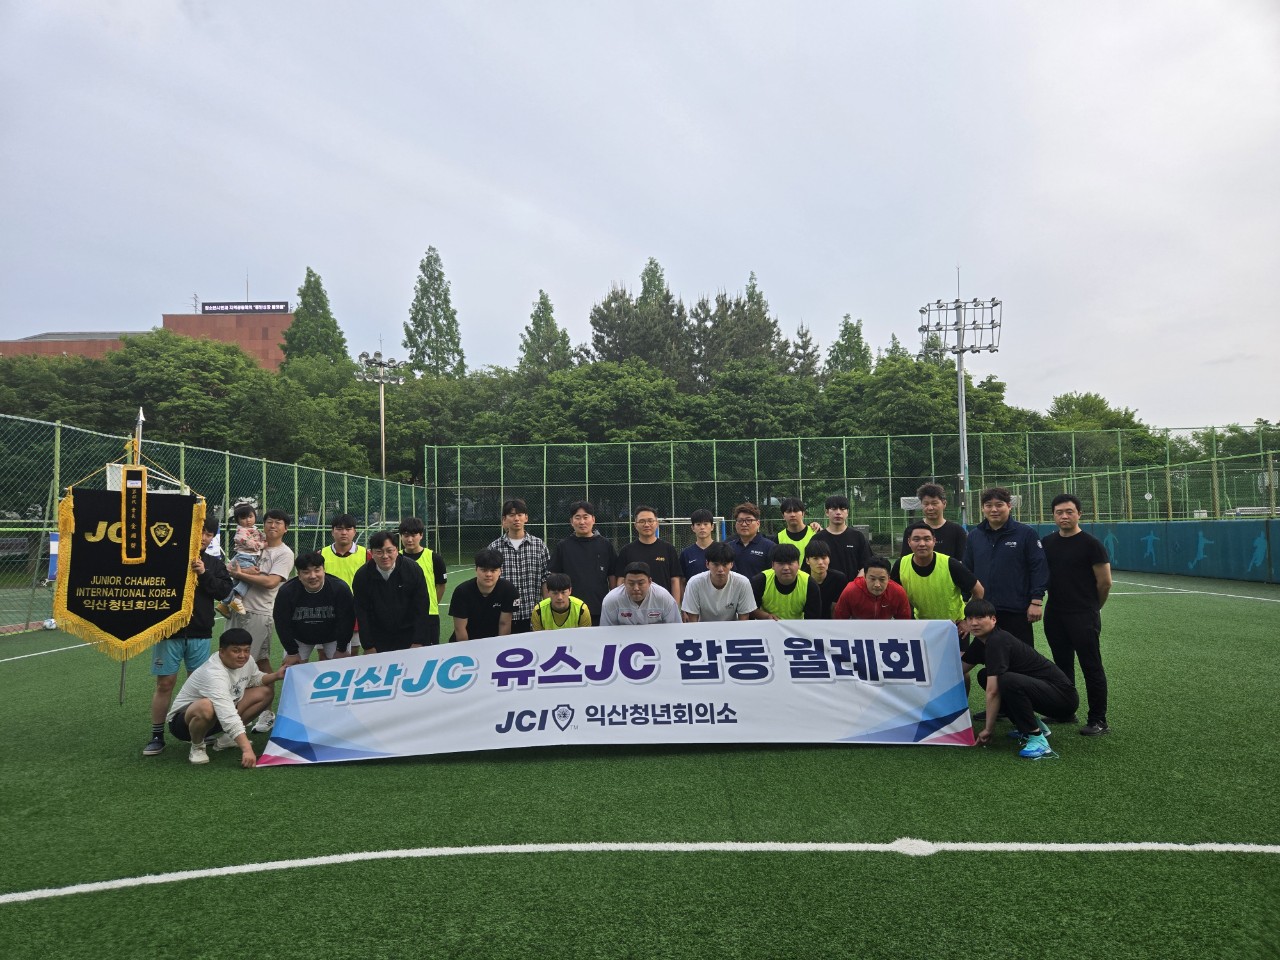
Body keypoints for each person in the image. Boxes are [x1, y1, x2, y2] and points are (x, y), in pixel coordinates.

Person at [143, 516, 232, 756]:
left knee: (200, 685)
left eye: (209, 534)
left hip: (200, 632)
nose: (204, 537)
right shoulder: (167, 558)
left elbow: (225, 592)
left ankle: (199, 732)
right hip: (168, 631)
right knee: (165, 683)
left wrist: (203, 574)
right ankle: (157, 735)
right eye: (200, 531)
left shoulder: (213, 564)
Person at [962, 599, 1079, 760]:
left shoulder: (998, 640)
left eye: (980, 617)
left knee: (1006, 680)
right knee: (984, 675)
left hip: (1063, 699)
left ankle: (1038, 739)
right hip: (1044, 692)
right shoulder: (981, 641)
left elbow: (993, 691)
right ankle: (1034, 726)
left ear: (993, 619)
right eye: (969, 618)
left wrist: (988, 729)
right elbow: (959, 670)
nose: (974, 623)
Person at [1042, 493, 1113, 736]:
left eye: (1069, 511)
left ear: (1079, 514)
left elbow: (1105, 582)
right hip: (1055, 614)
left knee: (1091, 667)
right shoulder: (1047, 542)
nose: (1064, 516)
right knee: (1061, 666)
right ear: (1053, 515)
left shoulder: (1091, 544)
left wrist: (1093, 608)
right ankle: (1065, 712)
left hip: (1083, 615)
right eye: (1059, 512)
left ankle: (1098, 720)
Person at [166, 628, 288, 767]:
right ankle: (197, 746)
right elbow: (227, 714)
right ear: (222, 652)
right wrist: (247, 749)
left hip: (217, 717)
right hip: (183, 724)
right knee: (205, 706)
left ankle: (229, 739)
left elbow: (255, 678)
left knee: (265, 692)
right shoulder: (213, 673)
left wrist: (276, 676)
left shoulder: (247, 660)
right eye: (236, 651)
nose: (242, 655)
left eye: (246, 650)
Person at [226, 507, 294, 733]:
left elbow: (271, 582)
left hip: (259, 613)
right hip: (238, 609)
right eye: (269, 521)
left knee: (243, 666)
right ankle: (265, 712)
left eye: (278, 522)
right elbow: (233, 564)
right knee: (260, 663)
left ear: (286, 528)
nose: (272, 526)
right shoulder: (255, 542)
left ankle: (241, 720)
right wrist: (236, 571)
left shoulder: (284, 553)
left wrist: (241, 574)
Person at [962, 487, 1049, 646]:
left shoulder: (1026, 533)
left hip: (1016, 609)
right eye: (988, 505)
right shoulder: (975, 535)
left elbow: (1038, 567)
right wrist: (963, 601)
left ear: (1009, 506)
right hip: (984, 611)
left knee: (1021, 655)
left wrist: (1036, 601)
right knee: (988, 655)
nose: (994, 509)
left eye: (999, 505)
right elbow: (967, 570)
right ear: (982, 508)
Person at [892, 522, 983, 644]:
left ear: (934, 541)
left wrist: (967, 620)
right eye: (916, 539)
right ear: (909, 542)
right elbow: (892, 596)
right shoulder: (900, 564)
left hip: (954, 627)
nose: (922, 544)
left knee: (957, 658)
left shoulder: (950, 564)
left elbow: (979, 591)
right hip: (922, 627)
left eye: (927, 539)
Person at [351, 530, 430, 653]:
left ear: (397, 550)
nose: (385, 556)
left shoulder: (412, 570)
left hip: (409, 635)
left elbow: (421, 606)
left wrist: (418, 641)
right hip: (379, 637)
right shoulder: (362, 576)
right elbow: (362, 613)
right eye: (379, 552)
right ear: (371, 553)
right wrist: (368, 646)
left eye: (389, 551)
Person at [273, 551, 356, 665]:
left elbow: (346, 621)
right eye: (306, 572)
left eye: (317, 570)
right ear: (299, 574)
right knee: (293, 667)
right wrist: (292, 652)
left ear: (324, 570)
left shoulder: (340, 588)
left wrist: (342, 648)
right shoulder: (287, 591)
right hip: (300, 637)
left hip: (333, 636)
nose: (312, 576)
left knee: (341, 666)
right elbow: (282, 623)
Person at [547, 500, 616, 626]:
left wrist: (613, 603)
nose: (582, 522)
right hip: (570, 611)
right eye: (577, 518)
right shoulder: (563, 546)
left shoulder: (605, 545)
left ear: (593, 519)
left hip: (599, 609)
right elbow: (554, 577)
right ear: (571, 521)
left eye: (585, 517)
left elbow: (612, 576)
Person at [487, 498, 549, 634]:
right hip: (504, 616)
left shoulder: (539, 545)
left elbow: (545, 579)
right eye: (512, 515)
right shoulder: (494, 548)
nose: (516, 519)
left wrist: (547, 609)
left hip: (533, 614)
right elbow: (489, 581)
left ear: (526, 518)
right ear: (504, 519)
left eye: (520, 514)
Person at [614, 505, 683, 602]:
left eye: (650, 521)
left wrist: (675, 605)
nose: (646, 525)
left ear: (657, 523)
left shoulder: (669, 549)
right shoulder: (626, 551)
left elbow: (675, 580)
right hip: (633, 606)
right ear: (635, 525)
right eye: (642, 521)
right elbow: (621, 581)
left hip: (663, 604)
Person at [321, 513, 367, 656]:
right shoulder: (321, 554)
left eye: (348, 529)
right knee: (323, 654)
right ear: (332, 531)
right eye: (339, 529)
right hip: (328, 612)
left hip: (355, 611)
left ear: (355, 531)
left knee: (353, 654)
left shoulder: (366, 555)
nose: (344, 532)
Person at [450, 548, 519, 640]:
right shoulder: (462, 591)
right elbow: (460, 628)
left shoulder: (509, 590)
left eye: (493, 570)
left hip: (494, 640)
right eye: (484, 570)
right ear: (476, 569)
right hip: (467, 641)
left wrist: (500, 646)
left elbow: (504, 623)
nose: (488, 574)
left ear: (500, 571)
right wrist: (467, 648)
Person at [399, 516, 447, 645]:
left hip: (429, 615)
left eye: (414, 535)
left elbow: (441, 585)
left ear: (421, 535)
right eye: (406, 535)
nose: (409, 539)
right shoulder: (396, 558)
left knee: (430, 653)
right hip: (402, 616)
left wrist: (432, 604)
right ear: (401, 536)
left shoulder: (434, 558)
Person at [681, 541, 757, 622]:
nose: (720, 569)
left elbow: (744, 620)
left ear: (731, 564)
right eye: (716, 564)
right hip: (703, 628)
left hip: (733, 628)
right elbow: (693, 621)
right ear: (707, 564)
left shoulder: (743, 583)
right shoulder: (694, 583)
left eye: (725, 564)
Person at [216, 502, 265, 616]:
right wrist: (262, 545)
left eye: (250, 516)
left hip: (247, 557)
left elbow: (262, 537)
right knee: (248, 579)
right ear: (238, 521)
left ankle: (224, 604)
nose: (248, 520)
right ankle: (237, 600)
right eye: (243, 518)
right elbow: (249, 543)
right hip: (245, 557)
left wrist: (264, 538)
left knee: (238, 581)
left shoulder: (254, 529)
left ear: (255, 516)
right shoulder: (241, 531)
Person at [751, 543, 822, 620]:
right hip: (767, 625)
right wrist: (766, 616)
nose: (786, 568)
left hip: (797, 626)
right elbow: (750, 609)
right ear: (773, 565)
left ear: (799, 564)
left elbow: (813, 618)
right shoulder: (760, 580)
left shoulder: (809, 584)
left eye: (790, 563)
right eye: (781, 563)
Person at [900, 483, 968, 561]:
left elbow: (962, 561)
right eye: (926, 504)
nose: (930, 508)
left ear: (944, 504)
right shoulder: (911, 530)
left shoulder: (957, 531)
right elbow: (905, 560)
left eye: (934, 503)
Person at [812, 494, 872, 584]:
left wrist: (854, 585)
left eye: (842, 509)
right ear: (827, 512)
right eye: (834, 509)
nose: (838, 512)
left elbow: (867, 565)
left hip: (851, 589)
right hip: (825, 589)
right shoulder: (818, 538)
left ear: (847, 512)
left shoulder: (858, 536)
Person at [600, 562, 682, 625]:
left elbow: (675, 628)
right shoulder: (611, 600)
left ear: (650, 582)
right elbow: (606, 632)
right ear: (624, 582)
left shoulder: (664, 597)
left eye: (641, 583)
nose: (636, 588)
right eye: (631, 583)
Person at [833, 556, 912, 620]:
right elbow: (839, 619)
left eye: (882, 579)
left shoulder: (898, 592)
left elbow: (905, 621)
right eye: (872, 579)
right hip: (858, 630)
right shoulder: (851, 591)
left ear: (888, 578)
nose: (877, 585)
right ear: (865, 577)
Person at [725, 502, 775, 581]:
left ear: (758, 523)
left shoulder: (770, 547)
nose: (744, 524)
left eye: (749, 520)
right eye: (740, 520)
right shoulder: (728, 547)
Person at [803, 539, 847, 618]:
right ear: (807, 560)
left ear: (829, 559)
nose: (820, 562)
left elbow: (837, 608)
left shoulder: (839, 579)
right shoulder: (801, 579)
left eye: (823, 558)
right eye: (815, 558)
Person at [679, 508, 716, 581]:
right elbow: (682, 580)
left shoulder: (721, 550)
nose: (702, 527)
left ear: (712, 527)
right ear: (693, 528)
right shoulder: (686, 553)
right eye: (698, 524)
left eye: (705, 524)